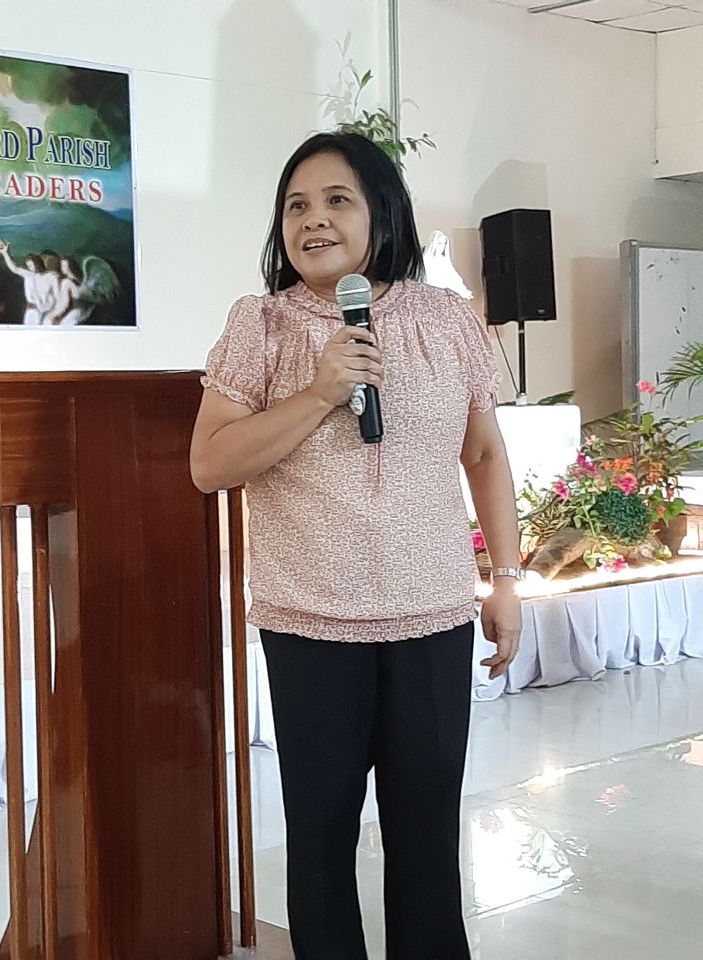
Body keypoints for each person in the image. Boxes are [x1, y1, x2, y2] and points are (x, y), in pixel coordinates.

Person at [190, 131, 522, 960]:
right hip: (311, 627)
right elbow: (209, 464)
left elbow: (483, 455)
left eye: (337, 199)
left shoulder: (447, 321)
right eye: (296, 205)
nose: (314, 220)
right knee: (321, 844)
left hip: (433, 620)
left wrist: (507, 578)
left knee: (426, 847)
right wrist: (319, 391)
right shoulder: (259, 326)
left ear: (383, 212)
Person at [0, 241, 55, 325]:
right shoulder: (29, 275)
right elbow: (14, 268)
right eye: (28, 266)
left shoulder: (48, 276)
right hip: (33, 311)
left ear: (37, 263)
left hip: (45, 312)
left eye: (31, 265)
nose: (29, 268)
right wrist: (5, 253)